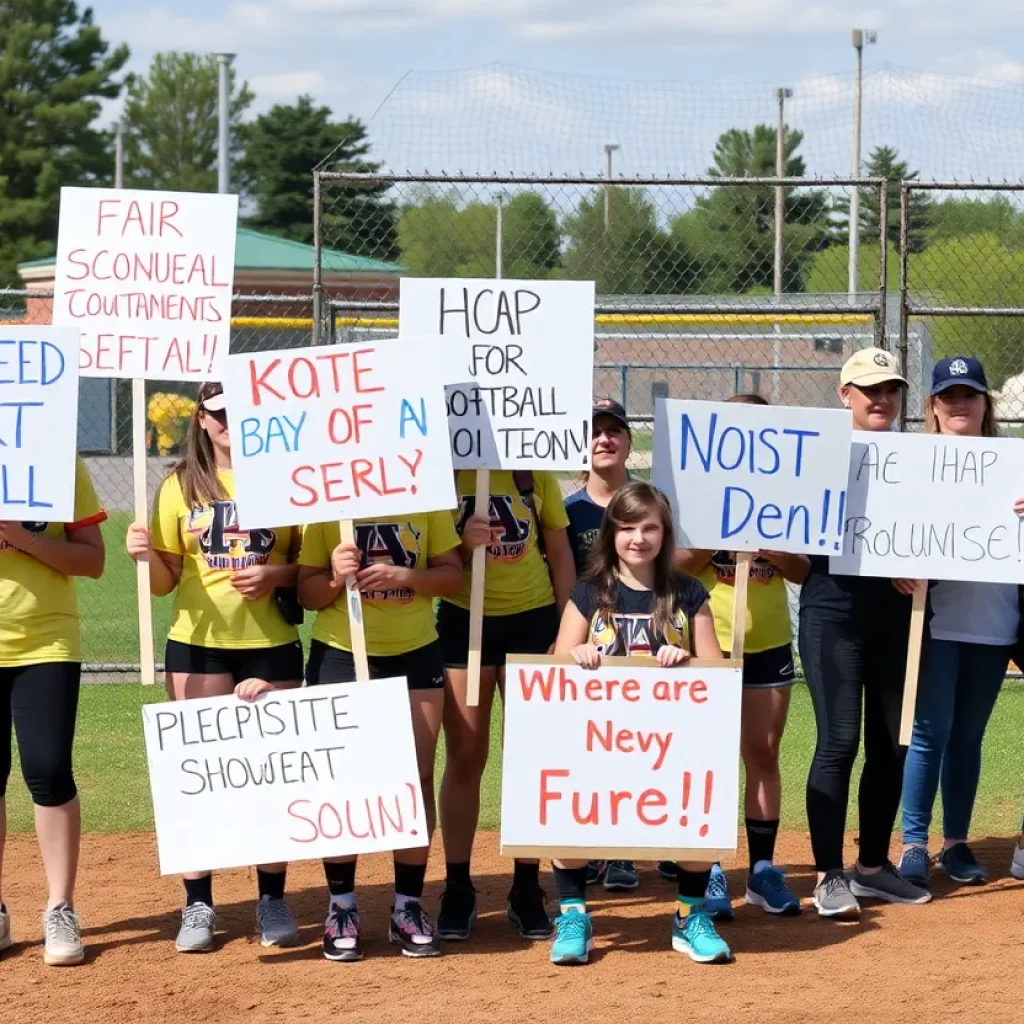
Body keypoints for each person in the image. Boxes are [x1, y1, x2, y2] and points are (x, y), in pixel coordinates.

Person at [127, 382, 305, 953]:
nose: (231, 422)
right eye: (220, 414)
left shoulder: (287, 480)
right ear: (202, 419)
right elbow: (163, 584)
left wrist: (274, 576)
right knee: (199, 781)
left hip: (272, 641)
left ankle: (272, 897)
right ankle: (199, 903)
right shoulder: (180, 486)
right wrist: (144, 555)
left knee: (274, 775)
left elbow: (311, 567)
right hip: (197, 643)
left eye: (242, 411)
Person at [547, 481, 730, 965]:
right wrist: (575, 655)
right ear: (611, 533)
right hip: (598, 739)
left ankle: (690, 917)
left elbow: (717, 669)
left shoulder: (689, 593)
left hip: (671, 743)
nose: (638, 538)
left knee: (696, 816)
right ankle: (574, 914)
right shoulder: (589, 593)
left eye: (650, 527)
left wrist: (687, 656)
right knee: (569, 810)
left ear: (665, 533)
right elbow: (551, 665)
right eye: (627, 527)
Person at [297, 511, 462, 960]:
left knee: (416, 778)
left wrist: (405, 575)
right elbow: (306, 593)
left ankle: (408, 905)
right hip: (342, 652)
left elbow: (451, 576)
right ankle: (341, 906)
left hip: (415, 651)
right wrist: (334, 575)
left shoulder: (423, 498)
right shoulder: (325, 504)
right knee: (343, 783)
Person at [801, 348, 931, 917]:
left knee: (891, 743)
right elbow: (798, 533)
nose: (881, 399)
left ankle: (873, 869)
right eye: (869, 388)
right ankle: (829, 874)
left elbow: (956, 524)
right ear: (843, 394)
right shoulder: (814, 456)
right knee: (838, 742)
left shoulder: (923, 458)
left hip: (900, 616)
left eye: (891, 389)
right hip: (833, 612)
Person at [671, 394, 806, 919]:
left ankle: (764, 870)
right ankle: (708, 872)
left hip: (769, 639)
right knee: (706, 756)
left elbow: (803, 570)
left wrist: (773, 548)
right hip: (708, 641)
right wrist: (720, 533)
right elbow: (675, 565)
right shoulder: (696, 492)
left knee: (763, 752)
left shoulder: (788, 495)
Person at [436, 468, 576, 942]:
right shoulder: (445, 477)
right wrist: (461, 540)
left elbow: (559, 553)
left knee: (531, 759)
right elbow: (433, 557)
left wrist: (564, 629)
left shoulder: (533, 475)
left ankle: (525, 885)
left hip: (532, 623)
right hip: (464, 622)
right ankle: (457, 886)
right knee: (466, 755)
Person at [898, 357, 1019, 887]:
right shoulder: (911, 463)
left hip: (995, 622)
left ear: (985, 404)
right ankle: (914, 844)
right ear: (933, 406)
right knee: (929, 733)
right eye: (949, 396)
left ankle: (956, 843)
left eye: (970, 395)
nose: (960, 405)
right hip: (937, 620)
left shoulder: (1014, 465)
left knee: (968, 736)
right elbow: (889, 534)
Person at [0, 459, 106, 966]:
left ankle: (60, 907)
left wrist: (24, 538)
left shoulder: (57, 458)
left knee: (47, 769)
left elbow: (93, 561)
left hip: (47, 642)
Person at [564, 397, 638, 892]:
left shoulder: (651, 504)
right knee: (589, 748)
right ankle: (588, 845)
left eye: (615, 430)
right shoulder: (568, 510)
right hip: (587, 650)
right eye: (594, 430)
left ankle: (627, 849)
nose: (604, 439)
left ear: (630, 441)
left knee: (636, 748)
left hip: (644, 642)